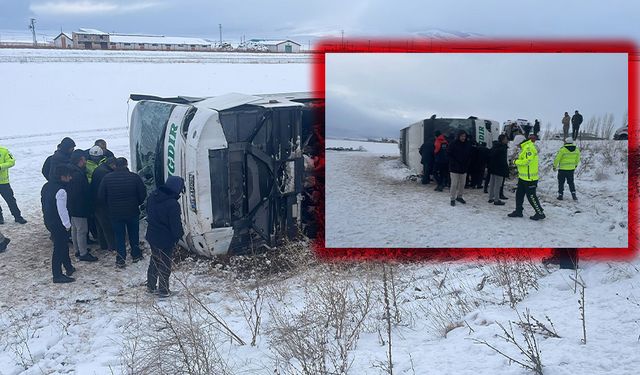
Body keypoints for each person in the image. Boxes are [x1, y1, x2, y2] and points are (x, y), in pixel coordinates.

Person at [98, 157, 147, 268]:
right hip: (132, 211)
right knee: (133, 234)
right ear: (126, 164)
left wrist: (109, 206)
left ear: (115, 165)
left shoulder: (107, 178)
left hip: (115, 213)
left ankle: (120, 259)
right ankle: (136, 255)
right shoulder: (134, 177)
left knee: (119, 236)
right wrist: (137, 203)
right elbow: (142, 193)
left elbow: (101, 196)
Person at [145, 176, 185, 298]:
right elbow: (175, 224)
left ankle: (151, 286)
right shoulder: (172, 204)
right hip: (165, 238)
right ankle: (163, 290)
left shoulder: (153, 197)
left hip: (152, 235)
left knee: (155, 260)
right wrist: (179, 236)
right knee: (165, 264)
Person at [41, 165, 76, 283]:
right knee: (59, 248)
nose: (70, 178)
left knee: (62, 245)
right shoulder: (61, 190)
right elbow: (62, 210)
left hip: (50, 220)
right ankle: (57, 274)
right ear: (62, 177)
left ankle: (68, 267)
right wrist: (67, 225)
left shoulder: (47, 186)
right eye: (68, 176)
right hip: (59, 223)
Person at [67, 150, 98, 262]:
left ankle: (77, 250)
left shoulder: (71, 171)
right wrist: (86, 207)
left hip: (72, 206)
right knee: (82, 230)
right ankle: (83, 253)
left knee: (75, 229)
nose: (86, 161)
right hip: (79, 207)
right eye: (84, 159)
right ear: (80, 160)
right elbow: (81, 193)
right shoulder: (78, 175)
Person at [508, 135, 545, 220]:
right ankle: (518, 211)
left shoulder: (529, 148)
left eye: (517, 145)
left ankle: (540, 213)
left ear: (520, 142)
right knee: (519, 195)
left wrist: (515, 161)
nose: (517, 146)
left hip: (530, 179)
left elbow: (526, 162)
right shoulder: (524, 148)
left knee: (531, 197)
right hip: (523, 177)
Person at [91, 157, 117, 252]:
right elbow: (107, 190)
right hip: (102, 203)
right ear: (113, 165)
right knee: (107, 225)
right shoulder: (106, 173)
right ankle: (112, 246)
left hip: (95, 201)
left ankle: (103, 244)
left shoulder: (100, 169)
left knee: (100, 225)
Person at [0, 145, 27, 224]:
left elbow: (12, 162)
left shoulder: (4, 151)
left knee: (11, 200)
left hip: (3, 183)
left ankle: (17, 216)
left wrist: (1, 166)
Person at [447, 130, 473, 206]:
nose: (463, 138)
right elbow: (448, 154)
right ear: (458, 136)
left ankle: (459, 196)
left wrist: (468, 162)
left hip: (463, 167)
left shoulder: (467, 144)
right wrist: (453, 162)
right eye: (462, 136)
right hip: (454, 168)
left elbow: (470, 154)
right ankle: (452, 198)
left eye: (464, 136)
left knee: (462, 184)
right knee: (454, 184)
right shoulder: (453, 143)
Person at [487, 134, 509, 206]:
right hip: (499, 169)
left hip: (493, 168)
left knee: (492, 184)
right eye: (506, 139)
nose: (507, 140)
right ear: (502, 140)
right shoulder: (503, 148)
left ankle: (490, 198)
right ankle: (496, 200)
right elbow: (503, 160)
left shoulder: (494, 146)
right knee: (498, 185)